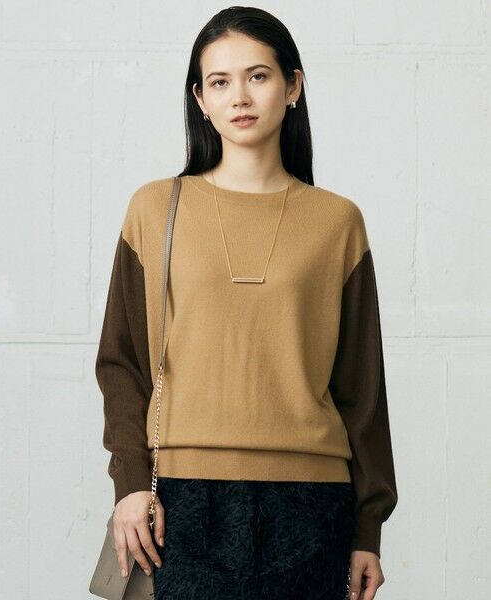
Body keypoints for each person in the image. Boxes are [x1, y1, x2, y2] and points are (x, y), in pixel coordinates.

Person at [95, 6, 398, 600]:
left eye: (258, 76)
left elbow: (363, 389)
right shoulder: (154, 209)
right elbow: (121, 361)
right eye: (219, 81)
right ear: (200, 100)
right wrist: (130, 482)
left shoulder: (338, 222)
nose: (240, 96)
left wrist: (368, 529)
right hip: (180, 498)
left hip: (312, 502)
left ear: (293, 86)